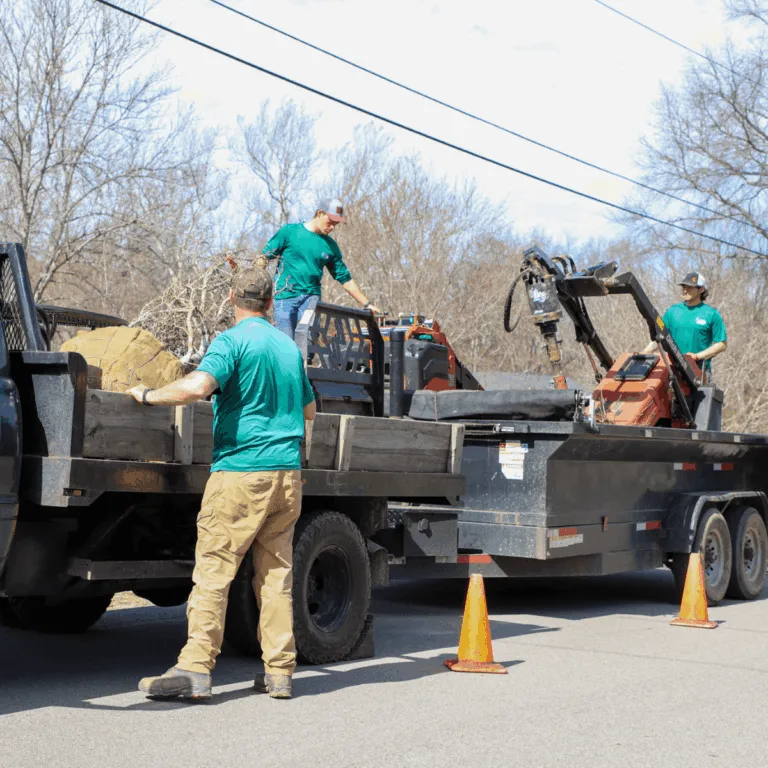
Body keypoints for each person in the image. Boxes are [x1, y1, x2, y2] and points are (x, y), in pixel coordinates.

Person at [127, 267, 316, 701]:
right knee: (275, 577)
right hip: (287, 476)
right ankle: (280, 673)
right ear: (271, 303)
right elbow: (309, 413)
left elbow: (198, 386)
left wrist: (149, 395)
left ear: (233, 298)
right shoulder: (288, 348)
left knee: (214, 570)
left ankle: (195, 668)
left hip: (241, 473)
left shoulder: (231, 342)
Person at [261, 198, 381, 338]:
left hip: (311, 298)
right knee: (286, 343)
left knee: (309, 341)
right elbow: (263, 259)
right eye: (330, 222)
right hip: (285, 297)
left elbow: (345, 279)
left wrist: (367, 304)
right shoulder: (289, 232)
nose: (332, 227)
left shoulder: (330, 246)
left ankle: (308, 359)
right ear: (319, 213)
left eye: (335, 224)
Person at [643, 271, 727, 379]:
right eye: (684, 286)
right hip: (672, 371)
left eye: (690, 287)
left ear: (701, 289)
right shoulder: (672, 311)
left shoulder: (711, 314)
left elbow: (722, 344)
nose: (685, 290)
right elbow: (659, 336)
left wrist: (697, 356)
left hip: (700, 374)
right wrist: (645, 352)